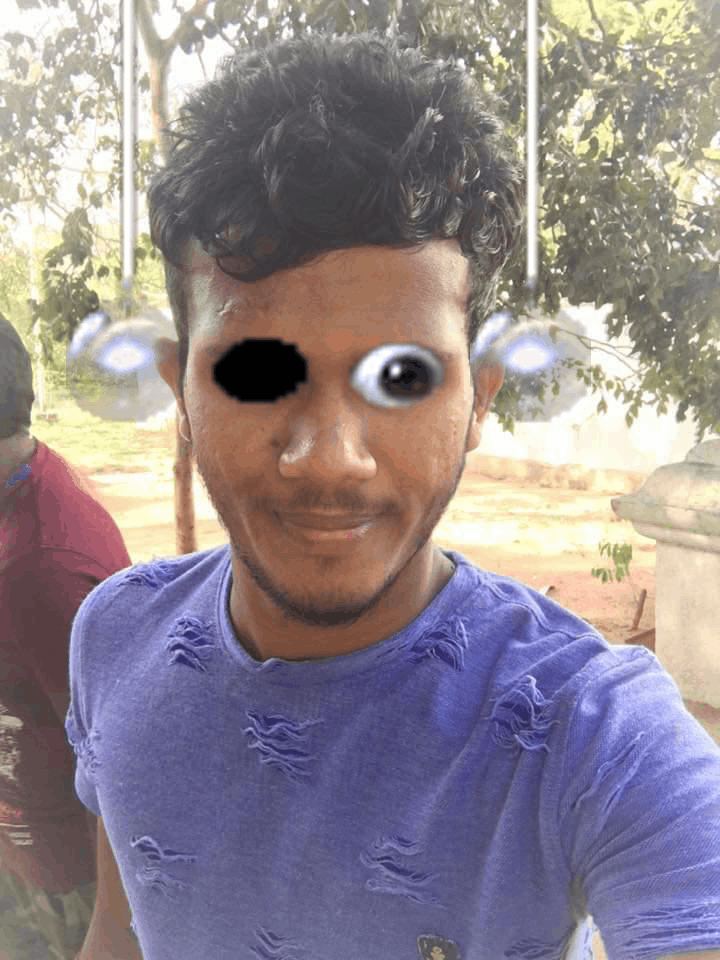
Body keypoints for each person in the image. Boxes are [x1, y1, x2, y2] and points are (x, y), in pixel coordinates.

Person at [68, 29, 720, 960]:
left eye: (403, 376)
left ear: (478, 400)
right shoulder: (114, 636)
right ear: (181, 390)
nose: (330, 460)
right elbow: (117, 932)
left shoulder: (592, 733)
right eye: (257, 373)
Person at [0, 313, 140, 960]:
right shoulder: (20, 486)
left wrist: (109, 929)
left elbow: (113, 763)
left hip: (63, 880)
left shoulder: (43, 570)